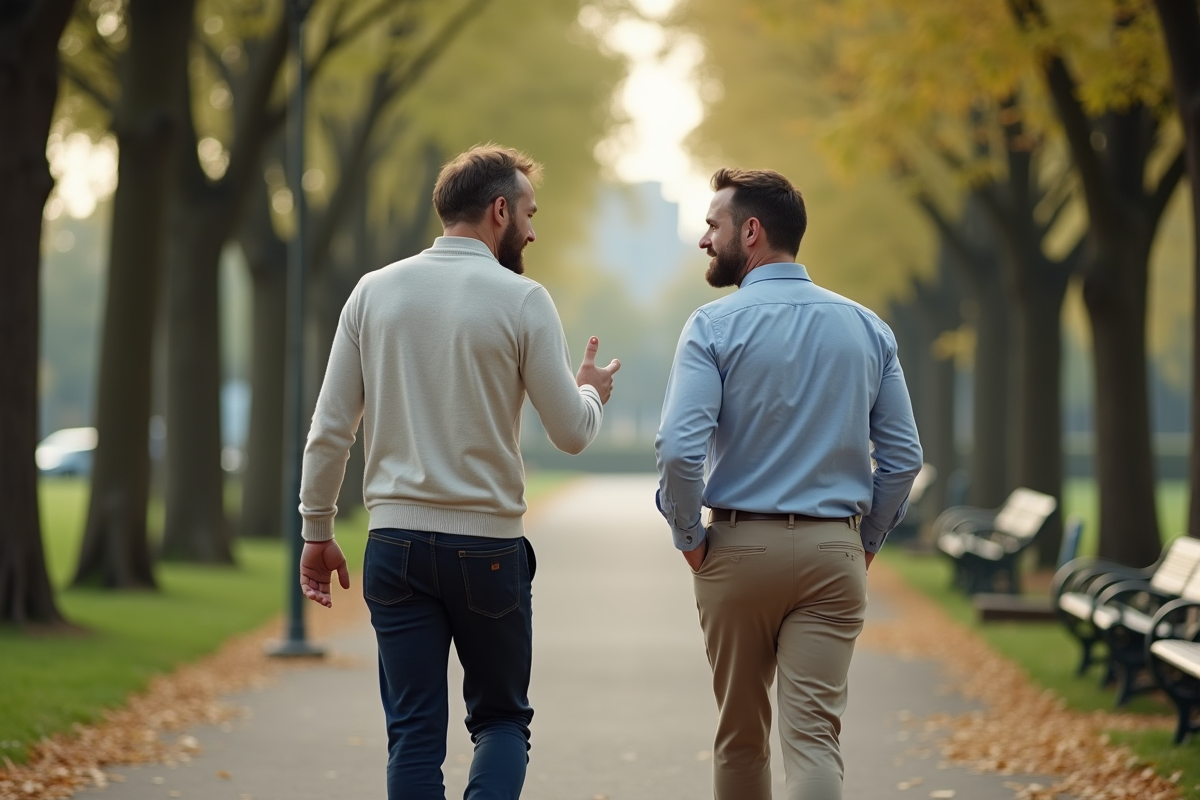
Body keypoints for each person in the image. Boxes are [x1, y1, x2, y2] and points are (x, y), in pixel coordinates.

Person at [295, 144, 621, 800]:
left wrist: (316, 528)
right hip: (488, 550)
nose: (533, 229)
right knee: (501, 721)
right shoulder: (524, 300)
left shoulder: (372, 293)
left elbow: (331, 428)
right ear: (499, 210)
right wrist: (591, 393)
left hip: (395, 546)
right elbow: (572, 433)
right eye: (529, 213)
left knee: (413, 731)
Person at [655, 167, 922, 800]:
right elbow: (905, 456)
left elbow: (677, 449)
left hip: (738, 553)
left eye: (712, 226)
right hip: (835, 554)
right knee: (815, 742)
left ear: (751, 232)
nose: (703, 241)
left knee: (741, 737)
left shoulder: (712, 327)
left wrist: (689, 535)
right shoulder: (868, 328)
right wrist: (866, 542)